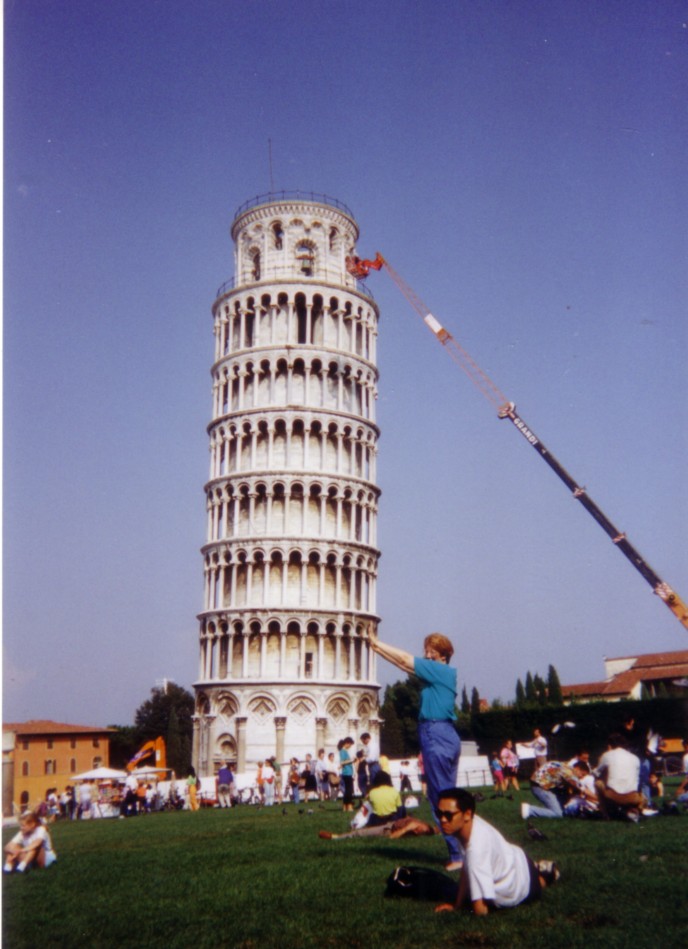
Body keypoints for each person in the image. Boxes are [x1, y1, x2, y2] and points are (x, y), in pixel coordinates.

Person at [369, 626, 462, 870]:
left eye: (431, 651)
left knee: (440, 799)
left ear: (443, 655)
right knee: (449, 796)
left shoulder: (439, 670)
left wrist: (377, 643)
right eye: (426, 651)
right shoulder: (441, 674)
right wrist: (375, 647)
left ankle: (457, 856)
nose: (426, 655)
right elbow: (405, 666)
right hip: (445, 734)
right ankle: (464, 849)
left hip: (435, 733)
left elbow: (404, 659)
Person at [433, 788, 559, 916]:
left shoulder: (476, 849)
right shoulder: (467, 826)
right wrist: (457, 905)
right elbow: (467, 867)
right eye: (439, 813)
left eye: (448, 815)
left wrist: (464, 908)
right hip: (513, 859)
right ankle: (541, 870)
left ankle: (549, 873)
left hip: (520, 877)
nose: (442, 820)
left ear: (467, 814)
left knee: (540, 883)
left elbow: (480, 911)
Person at [318, 771, 406, 839]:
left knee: (370, 809)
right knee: (401, 808)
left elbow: (369, 805)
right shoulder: (394, 791)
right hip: (392, 819)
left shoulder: (372, 792)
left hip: (377, 820)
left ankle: (356, 824)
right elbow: (400, 809)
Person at [593, 733, 644, 821]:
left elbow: (596, 773)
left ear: (610, 745)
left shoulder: (607, 755)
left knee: (598, 783)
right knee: (642, 797)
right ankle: (634, 810)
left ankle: (605, 814)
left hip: (613, 795)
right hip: (632, 796)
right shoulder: (635, 758)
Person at [338, 737, 355, 812]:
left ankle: (345, 806)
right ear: (347, 743)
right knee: (349, 790)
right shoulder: (342, 751)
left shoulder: (345, 751)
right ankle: (349, 805)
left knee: (348, 790)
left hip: (348, 772)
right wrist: (351, 760)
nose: (350, 746)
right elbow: (342, 762)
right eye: (350, 744)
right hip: (347, 773)